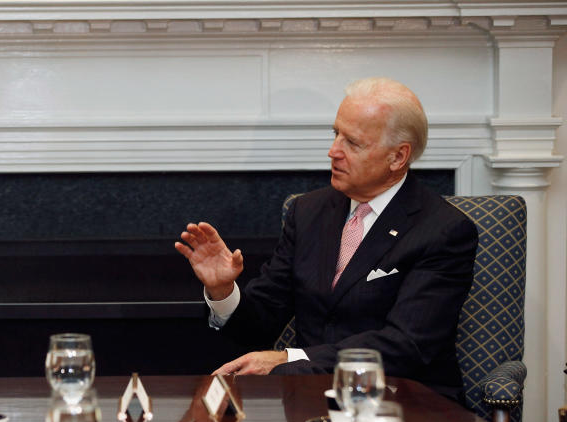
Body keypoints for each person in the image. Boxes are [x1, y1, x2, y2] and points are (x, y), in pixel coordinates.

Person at [175, 77, 478, 400]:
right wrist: (222, 290)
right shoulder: (308, 212)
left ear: (398, 157)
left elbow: (406, 346)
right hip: (310, 400)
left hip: (406, 405)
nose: (333, 151)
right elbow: (259, 326)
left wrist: (289, 358)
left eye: (353, 143)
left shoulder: (443, 230)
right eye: (336, 135)